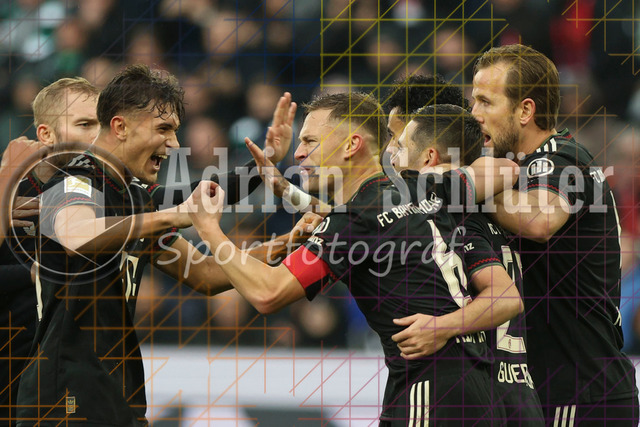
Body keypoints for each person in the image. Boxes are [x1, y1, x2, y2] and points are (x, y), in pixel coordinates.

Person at [186, 92, 520, 425]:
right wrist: (289, 192)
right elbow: (506, 169)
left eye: (310, 141)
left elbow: (268, 292)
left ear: (351, 145)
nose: (299, 153)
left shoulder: (354, 219)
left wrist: (209, 228)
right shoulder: (417, 186)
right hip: (473, 386)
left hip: (431, 390)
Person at [13, 65, 315, 426]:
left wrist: (287, 242)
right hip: (64, 394)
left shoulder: (136, 198)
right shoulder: (75, 178)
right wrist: (177, 215)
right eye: (163, 129)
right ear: (120, 127)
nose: (173, 144)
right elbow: (77, 235)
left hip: (117, 392)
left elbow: (206, 274)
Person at [470, 43, 639, 424]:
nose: (474, 114)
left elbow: (539, 221)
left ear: (525, 110)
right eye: (473, 101)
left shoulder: (562, 158)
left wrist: (463, 186)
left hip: (580, 391)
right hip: (547, 389)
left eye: (485, 102)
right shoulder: (511, 169)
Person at [388, 103, 544, 425]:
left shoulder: (453, 220)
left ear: (429, 157)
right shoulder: (493, 213)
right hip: (520, 397)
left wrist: (439, 327)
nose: (390, 154)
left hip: (479, 394)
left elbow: (506, 297)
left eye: (398, 143)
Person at [0, 77, 99, 426]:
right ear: (46, 134)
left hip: (66, 379)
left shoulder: (100, 190)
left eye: (100, 124)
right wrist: (33, 274)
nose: (96, 135)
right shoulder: (9, 187)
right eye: (85, 124)